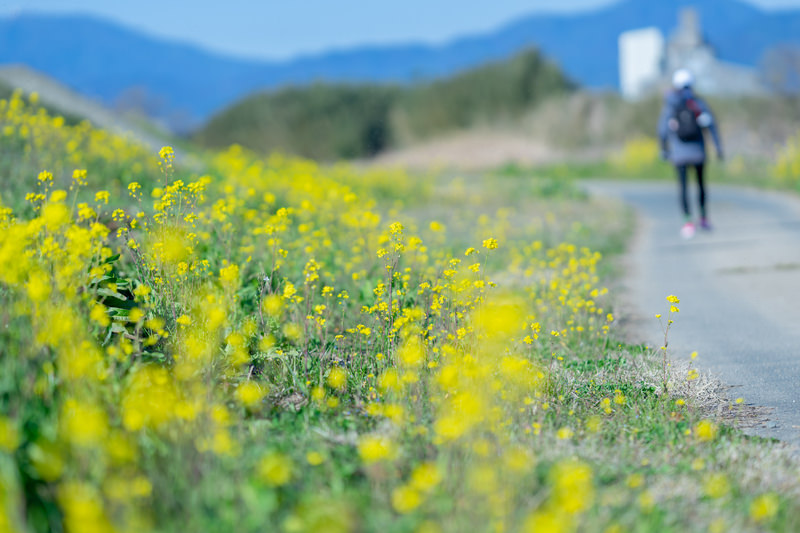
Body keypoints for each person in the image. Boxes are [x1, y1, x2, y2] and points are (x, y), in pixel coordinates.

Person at [658, 69, 724, 239]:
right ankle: (703, 218)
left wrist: (664, 149)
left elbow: (662, 130)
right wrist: (718, 148)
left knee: (683, 187)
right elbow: (712, 126)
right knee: (701, 185)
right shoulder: (698, 102)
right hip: (698, 152)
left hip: (678, 153)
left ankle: (687, 222)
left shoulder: (670, 104)